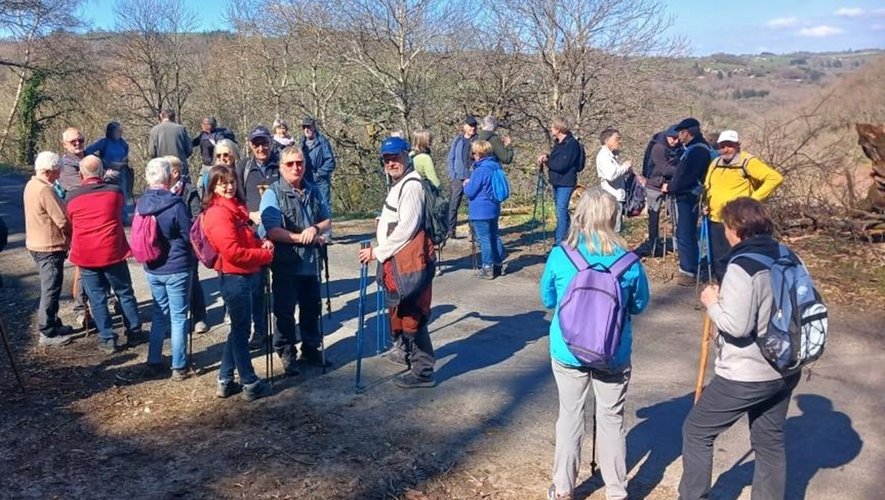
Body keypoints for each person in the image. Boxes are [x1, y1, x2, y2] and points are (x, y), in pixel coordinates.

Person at [679, 197, 801, 500]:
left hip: (748, 372)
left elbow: (736, 326)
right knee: (769, 441)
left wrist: (712, 303)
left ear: (736, 228)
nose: (724, 232)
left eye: (726, 226)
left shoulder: (742, 265)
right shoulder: (788, 255)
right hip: (786, 365)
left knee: (697, 430)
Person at [540, 187, 650, 500]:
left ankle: (563, 488)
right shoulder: (629, 262)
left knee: (570, 415)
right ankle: (616, 491)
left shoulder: (561, 254)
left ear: (580, 215)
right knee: (611, 418)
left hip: (567, 349)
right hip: (613, 351)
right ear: (613, 219)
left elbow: (547, 298)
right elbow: (640, 304)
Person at [358, 136, 435, 389]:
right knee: (398, 307)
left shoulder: (411, 185)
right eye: (387, 159)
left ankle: (423, 371)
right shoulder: (399, 183)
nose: (391, 163)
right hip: (399, 261)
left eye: (395, 158)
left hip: (411, 262)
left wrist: (377, 252)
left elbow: (407, 228)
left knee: (413, 311)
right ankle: (404, 353)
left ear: (406, 156)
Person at [202, 165, 275, 401]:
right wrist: (264, 255)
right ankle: (250, 382)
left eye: (232, 181)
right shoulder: (218, 214)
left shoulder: (234, 209)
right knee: (241, 332)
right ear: (213, 187)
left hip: (244, 275)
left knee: (238, 329)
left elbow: (245, 240)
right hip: (234, 278)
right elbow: (232, 252)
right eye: (222, 183)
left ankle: (225, 380)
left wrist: (260, 244)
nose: (229, 186)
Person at [260, 146, 332, 374]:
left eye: (299, 163)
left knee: (312, 308)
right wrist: (301, 238)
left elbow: (327, 220)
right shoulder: (272, 194)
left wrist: (315, 229)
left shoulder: (313, 190)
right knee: (284, 311)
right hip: (286, 263)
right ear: (281, 167)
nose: (295, 168)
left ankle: (311, 348)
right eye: (290, 164)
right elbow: (272, 230)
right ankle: (286, 352)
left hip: (311, 262)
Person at [66, 155, 142, 353]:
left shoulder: (71, 197)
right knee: (124, 293)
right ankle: (134, 332)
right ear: (101, 172)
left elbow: (71, 219)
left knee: (97, 298)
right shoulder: (114, 192)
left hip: (86, 255)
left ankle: (108, 339)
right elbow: (120, 211)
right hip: (112, 251)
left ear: (81, 174)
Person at [135, 158, 194, 380]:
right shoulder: (175, 204)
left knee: (160, 314)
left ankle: (154, 360)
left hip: (152, 267)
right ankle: (179, 366)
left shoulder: (141, 203)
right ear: (169, 177)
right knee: (178, 317)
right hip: (177, 266)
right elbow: (189, 235)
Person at [703, 130, 783, 282]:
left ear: (737, 145)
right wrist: (706, 202)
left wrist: (752, 201)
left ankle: (740, 290)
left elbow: (775, 178)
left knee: (738, 259)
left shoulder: (747, 162)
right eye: (722, 146)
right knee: (719, 260)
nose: (725, 149)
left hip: (738, 221)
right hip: (715, 219)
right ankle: (723, 290)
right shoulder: (715, 163)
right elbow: (708, 185)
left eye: (730, 145)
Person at [23, 152, 75, 346]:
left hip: (36, 244)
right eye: (56, 172)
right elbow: (61, 220)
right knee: (51, 288)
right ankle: (47, 332)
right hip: (49, 247)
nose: (58, 176)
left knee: (51, 286)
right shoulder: (45, 190)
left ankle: (53, 322)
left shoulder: (31, 185)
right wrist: (73, 234)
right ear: (46, 171)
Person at [235, 126, 279, 349]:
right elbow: (234, 200)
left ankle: (281, 333)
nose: (261, 148)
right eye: (256, 144)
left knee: (282, 287)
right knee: (257, 288)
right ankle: (260, 331)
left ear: (271, 142)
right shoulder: (243, 168)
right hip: (253, 237)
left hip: (280, 235)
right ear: (250, 145)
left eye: (264, 143)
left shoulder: (281, 165)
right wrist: (249, 214)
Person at [664, 117, 713, 286]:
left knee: (685, 233)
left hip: (689, 196)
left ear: (687, 133)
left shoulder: (697, 151)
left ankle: (688, 271)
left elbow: (687, 176)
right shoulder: (697, 148)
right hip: (689, 195)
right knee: (686, 232)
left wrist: (671, 187)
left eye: (680, 133)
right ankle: (690, 268)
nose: (678, 137)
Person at [166, 155, 208, 333]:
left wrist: (180, 229)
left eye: (165, 170)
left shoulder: (189, 191)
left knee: (192, 280)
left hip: (186, 243)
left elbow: (197, 216)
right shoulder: (159, 190)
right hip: (166, 246)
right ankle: (175, 320)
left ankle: (199, 317)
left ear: (175, 172)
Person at [58, 127, 93, 330]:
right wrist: (101, 178)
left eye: (81, 139)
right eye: (73, 142)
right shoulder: (65, 166)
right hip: (78, 223)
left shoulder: (89, 158)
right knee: (83, 265)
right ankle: (81, 309)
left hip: (95, 219)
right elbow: (83, 188)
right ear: (65, 145)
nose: (78, 143)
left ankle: (106, 301)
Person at [539, 117, 586, 243]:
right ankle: (571, 236)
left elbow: (562, 165)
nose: (551, 129)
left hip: (566, 183)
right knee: (562, 212)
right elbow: (558, 159)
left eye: (552, 127)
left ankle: (559, 242)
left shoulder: (571, 144)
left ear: (558, 129)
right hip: (557, 182)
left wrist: (547, 161)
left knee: (561, 212)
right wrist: (547, 156)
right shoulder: (559, 143)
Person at [464, 140, 507, 279]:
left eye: (473, 153)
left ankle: (487, 267)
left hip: (480, 210)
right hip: (494, 207)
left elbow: (470, 191)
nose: (472, 155)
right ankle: (498, 263)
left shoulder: (480, 171)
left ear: (478, 153)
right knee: (494, 236)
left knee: (484, 239)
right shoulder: (496, 167)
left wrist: (466, 184)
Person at [638, 125, 681, 255]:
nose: (675, 141)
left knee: (676, 216)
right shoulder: (658, 147)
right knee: (654, 217)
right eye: (673, 138)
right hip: (653, 185)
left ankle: (678, 246)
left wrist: (670, 183)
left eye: (677, 138)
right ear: (667, 135)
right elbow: (665, 169)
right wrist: (682, 170)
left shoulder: (679, 148)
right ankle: (654, 246)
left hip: (671, 185)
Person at [85, 121, 132, 218]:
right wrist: (102, 162)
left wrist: (123, 161)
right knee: (111, 195)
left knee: (123, 195)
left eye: (121, 130)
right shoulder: (104, 142)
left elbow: (126, 153)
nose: (121, 132)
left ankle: (124, 217)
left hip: (122, 172)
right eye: (118, 130)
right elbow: (87, 151)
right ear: (111, 131)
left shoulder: (122, 142)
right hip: (108, 172)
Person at [596, 128, 634, 233]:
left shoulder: (612, 156)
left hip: (616, 196)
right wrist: (625, 166)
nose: (619, 142)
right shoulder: (604, 156)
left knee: (616, 227)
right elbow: (611, 175)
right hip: (611, 196)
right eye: (616, 139)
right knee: (613, 230)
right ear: (607, 140)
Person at [446, 115, 478, 239]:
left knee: (473, 204)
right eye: (470, 126)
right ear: (464, 126)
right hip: (457, 177)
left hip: (472, 177)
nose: (473, 128)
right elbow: (451, 158)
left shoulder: (478, 140)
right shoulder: (458, 140)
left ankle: (473, 231)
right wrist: (452, 175)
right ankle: (451, 230)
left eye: (474, 126)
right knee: (454, 204)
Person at [300, 117, 336, 221]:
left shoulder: (322, 142)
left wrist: (318, 174)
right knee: (308, 207)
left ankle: (326, 230)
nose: (306, 130)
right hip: (305, 179)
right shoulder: (301, 142)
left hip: (321, 181)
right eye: (304, 127)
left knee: (324, 206)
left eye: (309, 127)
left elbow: (331, 162)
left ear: (314, 127)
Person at [192, 116, 236, 189]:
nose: (201, 125)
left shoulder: (219, 136)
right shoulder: (203, 134)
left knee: (212, 186)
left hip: (214, 166)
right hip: (205, 166)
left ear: (210, 125)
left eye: (204, 123)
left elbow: (222, 149)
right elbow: (194, 142)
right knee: (200, 186)